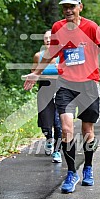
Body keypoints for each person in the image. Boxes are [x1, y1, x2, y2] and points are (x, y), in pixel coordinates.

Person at [23, 0, 100, 193]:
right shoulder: (58, 28)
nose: (68, 10)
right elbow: (49, 55)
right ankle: (71, 173)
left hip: (88, 86)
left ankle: (87, 167)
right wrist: (36, 74)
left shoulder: (91, 27)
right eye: (65, 7)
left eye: (72, 6)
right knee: (67, 129)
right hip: (65, 85)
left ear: (80, 7)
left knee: (88, 131)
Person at [31, 30, 62, 163]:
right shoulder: (39, 56)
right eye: (46, 38)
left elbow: (72, 72)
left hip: (60, 89)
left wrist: (61, 68)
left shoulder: (62, 55)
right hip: (44, 90)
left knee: (59, 123)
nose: (48, 40)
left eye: (51, 38)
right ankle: (48, 139)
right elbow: (33, 72)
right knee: (46, 123)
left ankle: (57, 151)